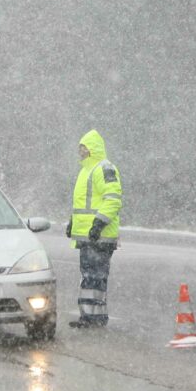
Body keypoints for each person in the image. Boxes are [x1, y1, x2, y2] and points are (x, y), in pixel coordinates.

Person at [65, 129, 123, 328]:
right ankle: (91, 317)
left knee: (95, 278)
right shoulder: (85, 171)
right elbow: (83, 204)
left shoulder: (104, 168)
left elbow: (113, 200)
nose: (80, 151)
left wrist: (99, 223)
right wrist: (73, 222)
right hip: (88, 237)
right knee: (90, 277)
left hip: (100, 236)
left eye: (83, 148)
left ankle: (93, 318)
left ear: (92, 149)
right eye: (80, 148)